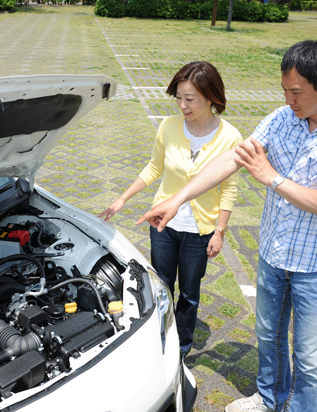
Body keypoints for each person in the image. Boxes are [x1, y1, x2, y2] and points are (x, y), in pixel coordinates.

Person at [136, 41, 317, 412]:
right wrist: (178, 198)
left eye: (296, 91)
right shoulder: (282, 118)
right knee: (268, 336)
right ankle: (268, 397)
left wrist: (272, 177)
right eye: (285, 89)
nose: (288, 99)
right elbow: (231, 160)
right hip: (272, 253)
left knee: (310, 358)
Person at [99, 61, 243, 358]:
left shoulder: (230, 137)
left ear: (211, 97)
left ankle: (181, 345)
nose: (182, 105)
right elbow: (154, 167)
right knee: (160, 286)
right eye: (178, 97)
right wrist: (122, 199)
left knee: (189, 293)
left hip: (200, 231)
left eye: (190, 99)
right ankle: (158, 336)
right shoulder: (169, 125)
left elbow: (229, 188)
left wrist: (220, 231)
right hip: (163, 224)